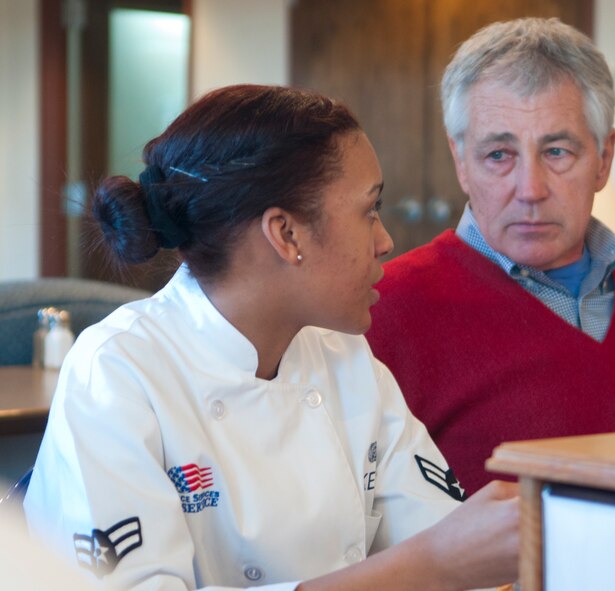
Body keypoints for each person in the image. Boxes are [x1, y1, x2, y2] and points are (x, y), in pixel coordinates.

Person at [23, 84, 519, 590]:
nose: (385, 240)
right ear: (285, 234)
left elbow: (452, 547)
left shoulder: (343, 356)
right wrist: (430, 567)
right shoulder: (117, 370)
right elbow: (435, 561)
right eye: (370, 210)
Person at [366, 17, 615, 496]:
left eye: (556, 151)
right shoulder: (386, 307)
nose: (530, 190)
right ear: (460, 161)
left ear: (604, 158)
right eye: (498, 155)